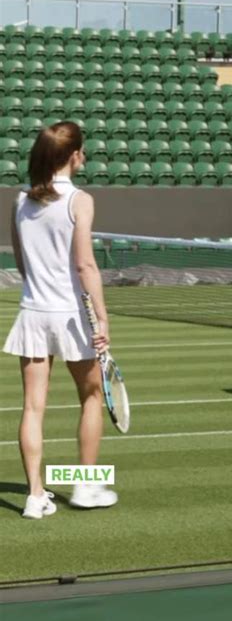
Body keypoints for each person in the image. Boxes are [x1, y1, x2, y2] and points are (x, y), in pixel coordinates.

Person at [3, 121, 118, 517]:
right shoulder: (80, 200)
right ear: (74, 156)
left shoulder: (20, 202)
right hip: (70, 318)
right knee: (92, 397)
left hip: (33, 313)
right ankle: (86, 486)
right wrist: (102, 319)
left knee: (33, 407)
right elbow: (85, 264)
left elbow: (20, 261)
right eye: (82, 151)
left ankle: (35, 496)